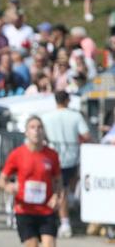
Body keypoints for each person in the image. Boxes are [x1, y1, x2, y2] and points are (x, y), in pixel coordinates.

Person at [0, 116, 62, 247]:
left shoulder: (51, 155)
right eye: (32, 127)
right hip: (24, 210)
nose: (36, 130)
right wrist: (9, 187)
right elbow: (2, 180)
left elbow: (58, 181)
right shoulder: (17, 154)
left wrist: (56, 196)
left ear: (43, 131)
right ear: (26, 132)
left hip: (45, 211)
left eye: (39, 127)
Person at [41, 91, 91, 238]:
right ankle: (65, 222)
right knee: (62, 190)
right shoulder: (75, 116)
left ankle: (63, 219)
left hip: (53, 158)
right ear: (68, 100)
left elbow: (41, 136)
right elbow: (86, 135)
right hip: (70, 158)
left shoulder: (46, 117)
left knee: (60, 190)